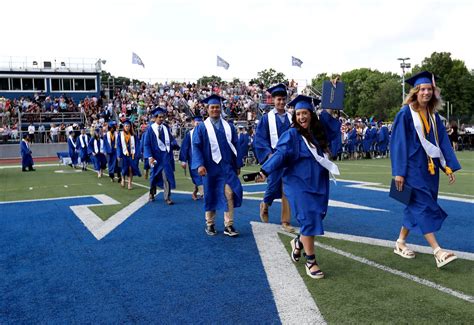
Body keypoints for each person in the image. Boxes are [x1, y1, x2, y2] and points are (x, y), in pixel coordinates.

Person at [258, 95, 341, 279]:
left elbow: (330, 120)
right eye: (298, 114)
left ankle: (298, 242)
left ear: (311, 114)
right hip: (297, 183)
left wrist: (333, 92)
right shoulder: (292, 134)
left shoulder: (318, 133)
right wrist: (265, 171)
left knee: (318, 215)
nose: (301, 117)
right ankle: (310, 261)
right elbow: (280, 155)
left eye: (305, 113)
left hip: (318, 181)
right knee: (309, 218)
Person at [390, 71, 461, 268]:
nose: (426, 92)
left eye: (430, 89)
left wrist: (447, 166)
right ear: (415, 91)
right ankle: (438, 251)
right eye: (423, 89)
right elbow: (398, 144)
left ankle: (400, 242)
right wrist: (399, 171)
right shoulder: (405, 114)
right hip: (411, 167)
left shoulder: (433, 115)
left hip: (429, 169)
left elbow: (443, 142)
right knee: (422, 205)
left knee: (414, 205)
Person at [191, 94, 243, 237]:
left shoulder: (229, 127)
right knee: (210, 194)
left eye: (217, 107)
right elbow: (196, 147)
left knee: (230, 193)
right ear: (207, 109)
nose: (215, 109)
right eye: (212, 107)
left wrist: (238, 164)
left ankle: (229, 225)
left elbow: (236, 146)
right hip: (209, 168)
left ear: (221, 108)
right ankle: (210, 224)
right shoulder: (201, 128)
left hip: (226, 167)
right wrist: (199, 164)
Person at [253, 83, 294, 233]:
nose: (281, 102)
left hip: (289, 160)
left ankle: (285, 220)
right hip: (274, 158)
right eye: (278, 99)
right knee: (273, 186)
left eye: (283, 99)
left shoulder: (292, 118)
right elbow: (260, 139)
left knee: (287, 189)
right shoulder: (266, 119)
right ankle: (265, 203)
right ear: (273, 101)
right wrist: (269, 154)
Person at [143, 107, 179, 205]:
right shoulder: (150, 130)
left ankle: (167, 197)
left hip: (165, 156)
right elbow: (146, 144)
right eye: (160, 117)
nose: (162, 119)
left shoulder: (165, 128)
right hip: (155, 157)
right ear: (155, 118)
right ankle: (152, 193)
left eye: (163, 117)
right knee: (153, 176)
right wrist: (150, 157)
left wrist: (175, 144)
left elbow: (171, 139)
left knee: (166, 176)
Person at [179, 115, 204, 200]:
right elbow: (185, 147)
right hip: (193, 159)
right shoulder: (189, 134)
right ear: (193, 123)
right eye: (197, 123)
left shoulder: (206, 132)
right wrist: (183, 160)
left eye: (200, 123)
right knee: (196, 176)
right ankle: (203, 193)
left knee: (202, 177)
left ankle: (195, 193)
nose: (198, 125)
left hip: (204, 159)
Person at [117, 120, 141, 190]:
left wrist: (138, 154)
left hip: (132, 154)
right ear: (124, 127)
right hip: (123, 154)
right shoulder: (120, 135)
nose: (127, 127)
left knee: (131, 169)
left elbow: (137, 145)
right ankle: (123, 179)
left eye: (128, 126)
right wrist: (118, 154)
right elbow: (118, 145)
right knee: (124, 169)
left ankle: (130, 183)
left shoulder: (134, 135)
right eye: (126, 126)